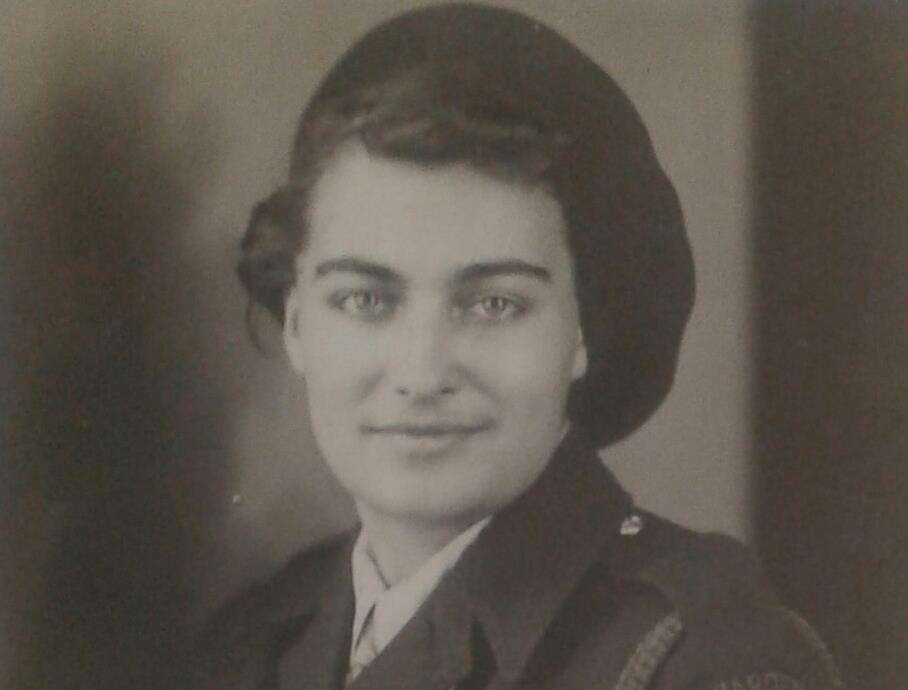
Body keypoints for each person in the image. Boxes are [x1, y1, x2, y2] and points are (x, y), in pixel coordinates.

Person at [185, 4, 842, 689]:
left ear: (582, 329)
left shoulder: (701, 660)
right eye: (366, 300)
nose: (422, 371)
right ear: (296, 324)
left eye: (494, 304)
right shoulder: (251, 649)